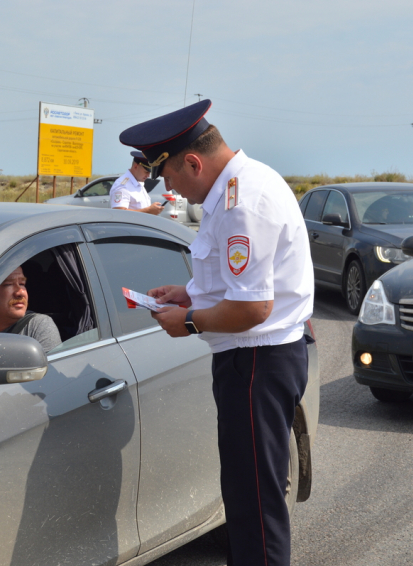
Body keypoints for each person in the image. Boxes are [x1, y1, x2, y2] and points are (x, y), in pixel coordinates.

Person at [119, 99, 314, 566]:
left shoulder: (242, 201)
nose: (174, 191)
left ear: (193, 160)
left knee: (255, 509)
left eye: (171, 178)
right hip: (255, 361)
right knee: (247, 498)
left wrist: (188, 322)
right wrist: (190, 294)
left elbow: (252, 307)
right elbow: (238, 282)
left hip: (256, 365)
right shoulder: (237, 187)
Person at [0, 266, 62, 355]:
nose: (21, 292)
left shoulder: (36, 326)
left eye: (22, 283)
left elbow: (50, 374)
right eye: (8, 284)